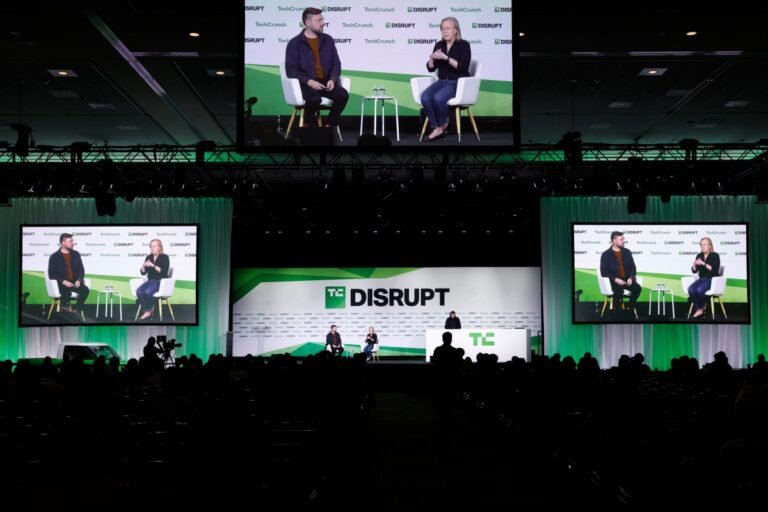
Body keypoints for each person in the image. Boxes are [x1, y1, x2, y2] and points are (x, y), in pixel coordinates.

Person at [285, 7, 349, 130]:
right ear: (308, 23)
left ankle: (329, 126)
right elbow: (291, 70)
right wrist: (309, 81)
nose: (323, 23)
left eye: (322, 19)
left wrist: (332, 79)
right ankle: (310, 126)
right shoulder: (294, 43)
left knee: (342, 95)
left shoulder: (328, 40)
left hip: (325, 82)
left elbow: (336, 64)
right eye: (318, 20)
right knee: (314, 99)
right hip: (305, 83)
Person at [421, 17, 472, 142]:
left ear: (456, 30)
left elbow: (462, 67)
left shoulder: (464, 45)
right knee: (425, 97)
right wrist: (432, 59)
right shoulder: (439, 45)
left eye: (448, 28)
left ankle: (443, 125)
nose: (445, 31)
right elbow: (431, 68)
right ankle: (436, 127)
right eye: (442, 29)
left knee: (438, 98)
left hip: (457, 82)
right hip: (442, 81)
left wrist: (446, 58)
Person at [47, 233, 90, 316]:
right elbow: (51, 274)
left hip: (74, 282)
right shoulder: (54, 257)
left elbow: (81, 270)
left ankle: (76, 311)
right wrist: (63, 281)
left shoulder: (76, 254)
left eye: (72, 241)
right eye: (70, 241)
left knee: (85, 290)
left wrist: (79, 280)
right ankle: (63, 315)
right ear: (63, 243)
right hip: (61, 283)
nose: (73, 243)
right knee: (66, 293)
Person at [600, 231, 642, 313]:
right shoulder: (606, 254)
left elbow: (633, 268)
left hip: (626, 279)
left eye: (623, 239)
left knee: (637, 288)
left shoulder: (627, 252)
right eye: (621, 239)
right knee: (618, 291)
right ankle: (616, 311)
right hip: (613, 280)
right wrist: (615, 279)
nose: (623, 241)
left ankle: (629, 308)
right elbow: (604, 272)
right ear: (614, 241)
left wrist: (631, 277)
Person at [137, 239, 170, 320]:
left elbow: (163, 272)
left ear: (159, 247)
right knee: (139, 291)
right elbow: (143, 273)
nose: (152, 248)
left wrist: (153, 265)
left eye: (154, 246)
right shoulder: (149, 257)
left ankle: (150, 310)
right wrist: (143, 266)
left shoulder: (165, 257)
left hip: (160, 281)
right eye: (151, 246)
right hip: (150, 281)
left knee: (147, 292)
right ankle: (147, 311)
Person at [689, 237, 721, 318]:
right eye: (701, 245)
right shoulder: (699, 255)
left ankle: (701, 308)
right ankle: (699, 309)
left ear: (710, 246)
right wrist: (694, 265)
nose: (703, 247)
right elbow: (694, 271)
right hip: (702, 279)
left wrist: (703, 264)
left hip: (712, 279)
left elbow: (714, 270)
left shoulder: (715, 255)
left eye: (705, 244)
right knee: (691, 289)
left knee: (699, 290)